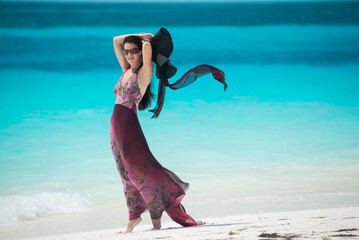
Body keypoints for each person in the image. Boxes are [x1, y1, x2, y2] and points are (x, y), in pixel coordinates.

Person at [110, 32, 201, 233]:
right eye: (127, 52)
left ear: (141, 54)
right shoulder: (125, 70)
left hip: (127, 126)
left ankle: (155, 216)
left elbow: (146, 50)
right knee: (125, 173)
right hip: (115, 129)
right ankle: (133, 216)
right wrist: (138, 34)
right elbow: (116, 40)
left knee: (139, 170)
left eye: (134, 52)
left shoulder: (144, 73)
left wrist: (145, 41)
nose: (129, 55)